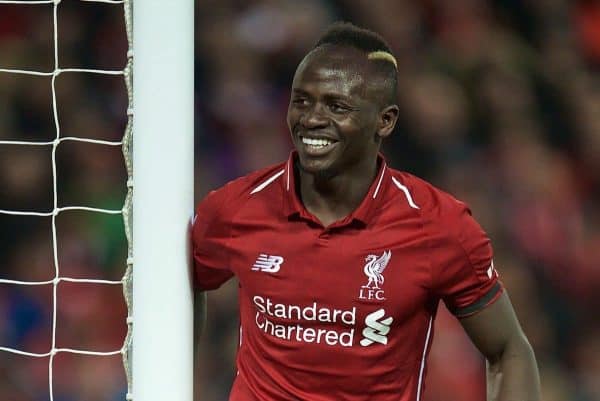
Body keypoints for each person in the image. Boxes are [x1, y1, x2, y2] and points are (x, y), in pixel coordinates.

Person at [192, 22, 541, 401]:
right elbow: (180, 290)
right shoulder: (236, 208)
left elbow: (509, 350)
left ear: (385, 121)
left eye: (336, 105)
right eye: (301, 100)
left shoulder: (438, 225)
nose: (311, 118)